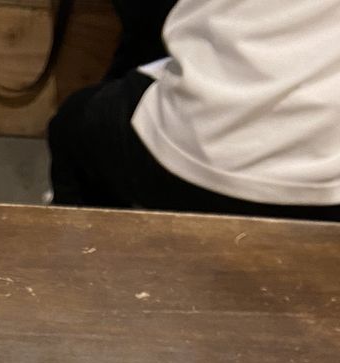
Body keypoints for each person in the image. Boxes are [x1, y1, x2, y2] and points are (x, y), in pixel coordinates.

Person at [47, 0, 340, 220]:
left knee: (72, 127)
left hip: (199, 157)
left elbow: (146, 19)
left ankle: (80, 270)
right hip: (329, 179)